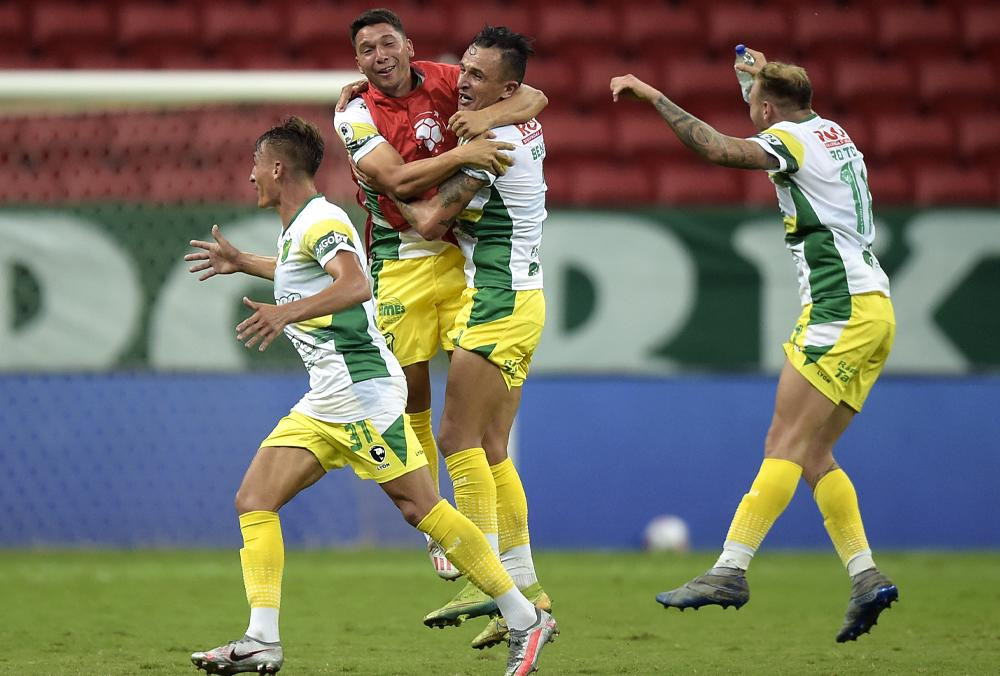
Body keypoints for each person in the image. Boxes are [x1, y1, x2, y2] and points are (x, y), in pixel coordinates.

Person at [183, 116, 557, 676]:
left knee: (420, 508)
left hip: (361, 394)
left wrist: (285, 313)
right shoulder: (298, 229)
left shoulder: (322, 218)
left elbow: (356, 283)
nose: (251, 175)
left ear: (277, 167)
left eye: (256, 164)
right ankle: (262, 639)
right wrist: (245, 264)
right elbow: (302, 275)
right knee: (253, 499)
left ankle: (525, 616)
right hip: (324, 400)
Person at [610, 50, 898, 643]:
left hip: (838, 309)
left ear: (768, 109)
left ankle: (730, 569)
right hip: (875, 309)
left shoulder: (787, 139)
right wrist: (757, 78)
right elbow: (778, 102)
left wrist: (650, 93)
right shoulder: (832, 131)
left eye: (754, 105)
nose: (751, 113)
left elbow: (717, 147)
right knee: (813, 454)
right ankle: (866, 575)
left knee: (784, 443)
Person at [333, 8, 548, 583]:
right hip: (400, 257)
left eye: (388, 43)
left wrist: (488, 121)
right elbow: (397, 182)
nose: (380, 56)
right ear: (357, 62)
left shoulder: (454, 80)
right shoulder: (354, 113)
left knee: (472, 423)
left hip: (457, 254)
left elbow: (533, 97)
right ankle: (441, 523)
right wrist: (465, 152)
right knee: (412, 398)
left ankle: (488, 557)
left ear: (408, 46)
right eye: (367, 49)